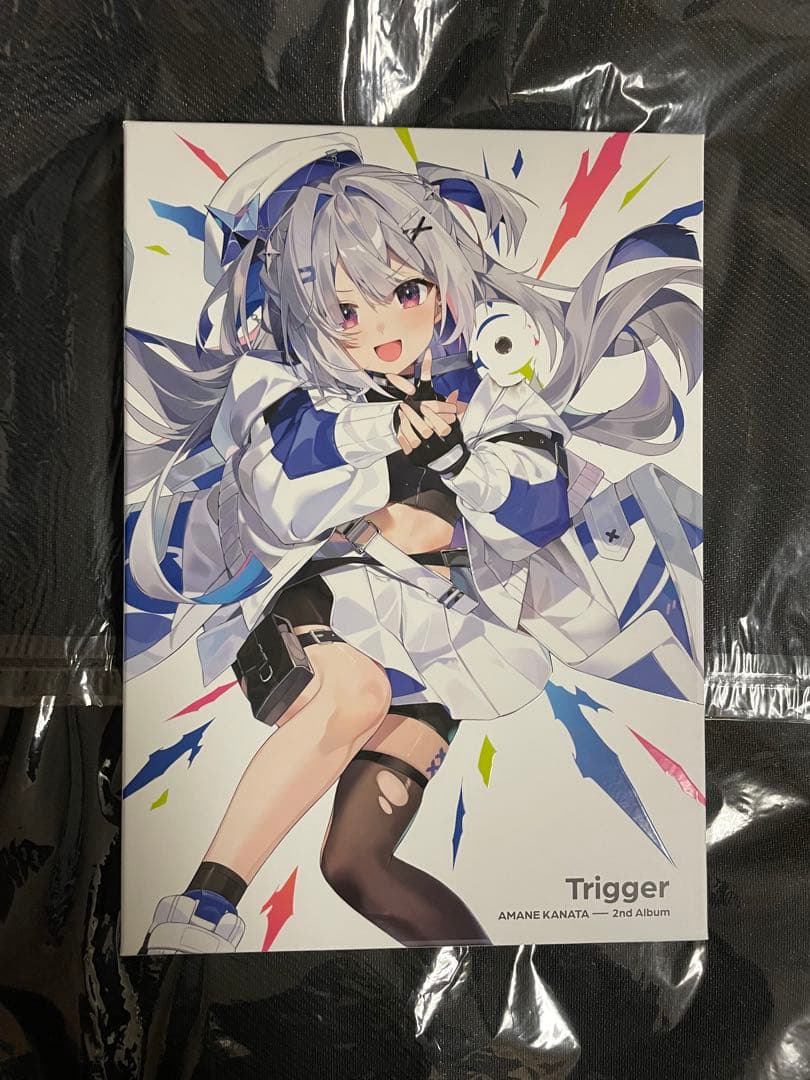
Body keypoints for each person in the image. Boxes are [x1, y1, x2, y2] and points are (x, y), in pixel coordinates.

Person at [124, 131, 702, 952]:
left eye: (405, 290)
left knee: (358, 863)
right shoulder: (302, 395)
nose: (383, 327)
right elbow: (282, 484)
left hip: (449, 630)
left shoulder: (495, 391)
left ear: (442, 283)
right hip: (339, 596)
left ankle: (481, 964)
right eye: (345, 311)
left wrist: (463, 459)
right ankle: (200, 913)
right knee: (351, 696)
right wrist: (383, 432)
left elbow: (538, 506)